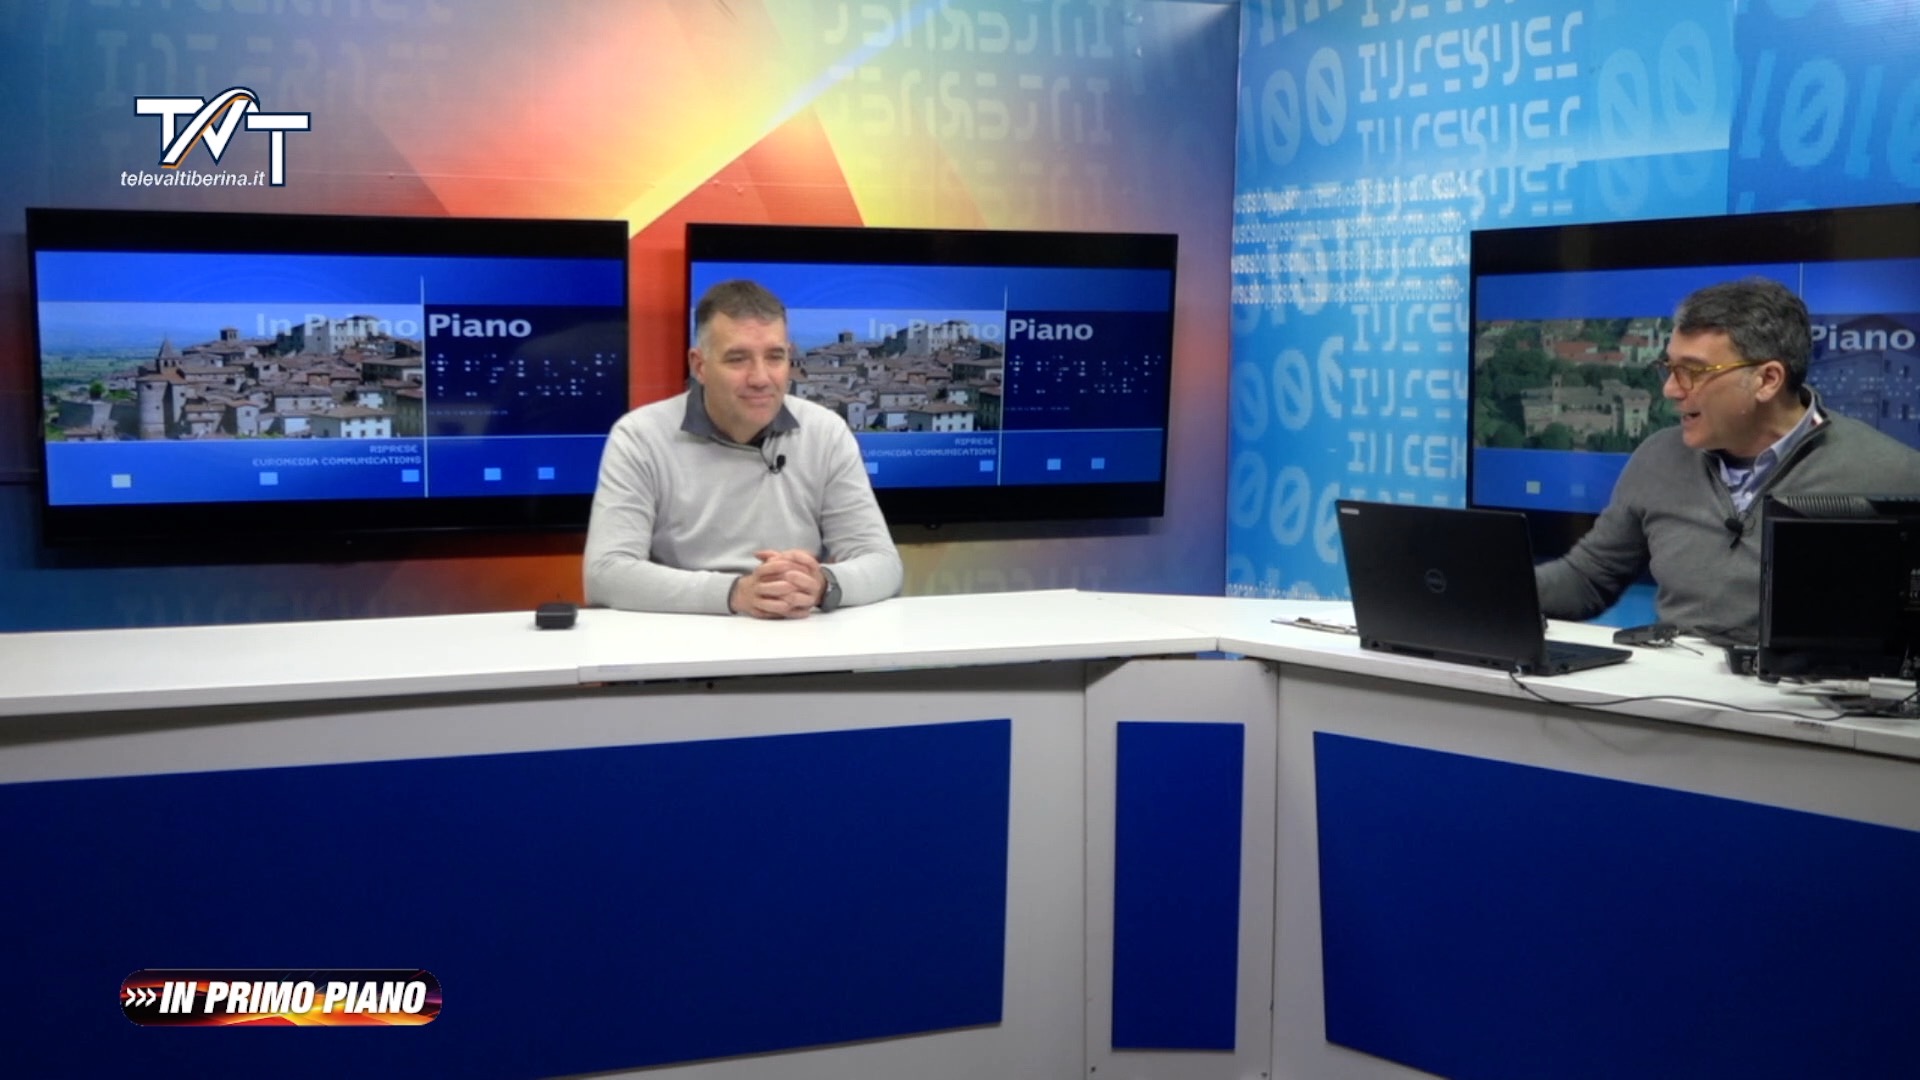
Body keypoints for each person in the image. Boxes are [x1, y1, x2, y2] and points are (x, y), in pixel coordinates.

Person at [1534, 276, 1920, 639]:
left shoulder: (1894, 474)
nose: (1671, 390)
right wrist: (1503, 585)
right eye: (1669, 369)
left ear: (1767, 380)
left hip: (1808, 687)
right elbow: (1587, 579)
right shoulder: (1658, 457)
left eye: (1693, 371)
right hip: (1673, 681)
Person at [584, 279, 903, 617]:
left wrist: (822, 584)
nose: (760, 378)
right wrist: (736, 593)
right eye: (738, 359)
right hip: (684, 635)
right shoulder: (640, 437)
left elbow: (884, 564)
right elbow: (606, 574)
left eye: (775, 357)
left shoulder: (826, 432)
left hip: (798, 634)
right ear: (699, 365)